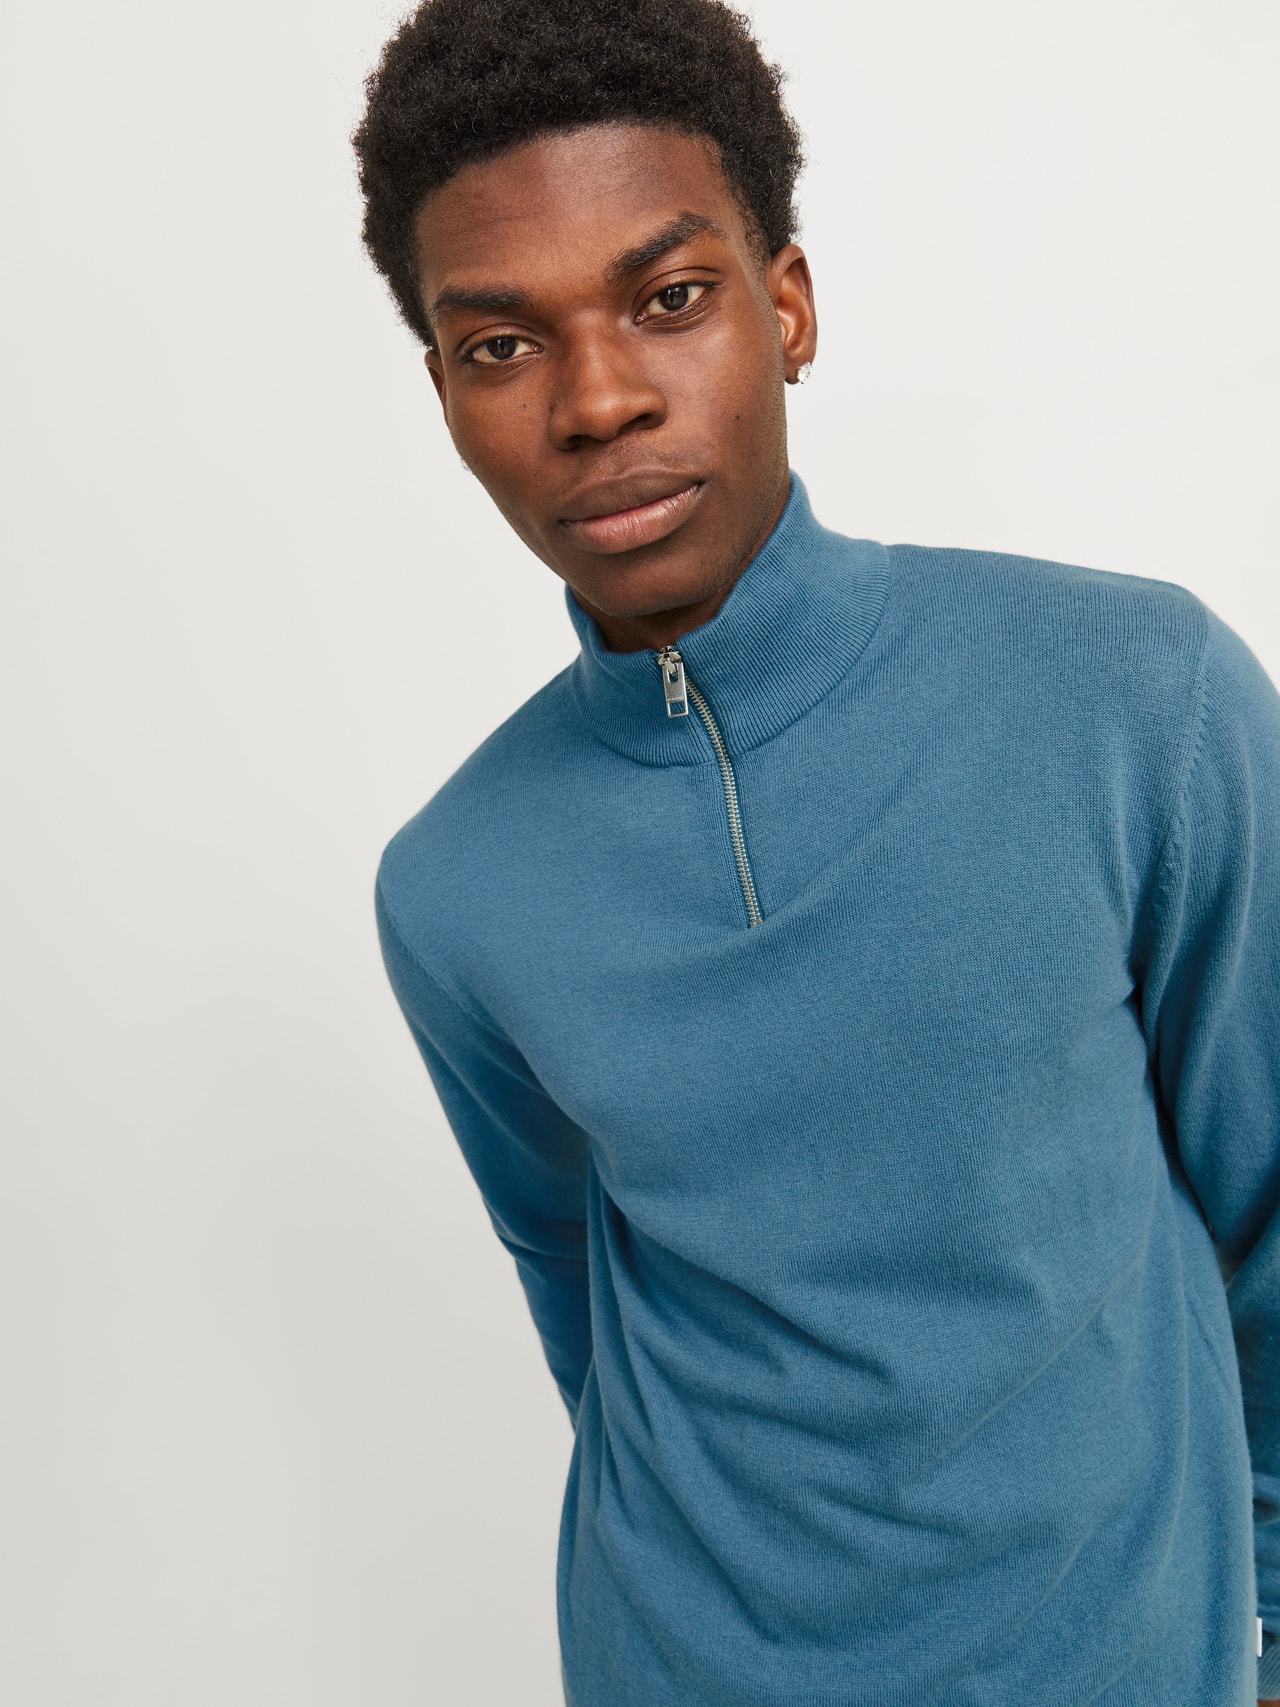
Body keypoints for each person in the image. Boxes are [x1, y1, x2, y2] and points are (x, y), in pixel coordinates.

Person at [353, 1, 1280, 1700]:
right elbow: (578, 1285)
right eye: (500, 345)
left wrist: (1268, 1624)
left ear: (785, 305)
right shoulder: (454, 884)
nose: (598, 399)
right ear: (444, 394)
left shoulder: (1137, 697)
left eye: (668, 297)